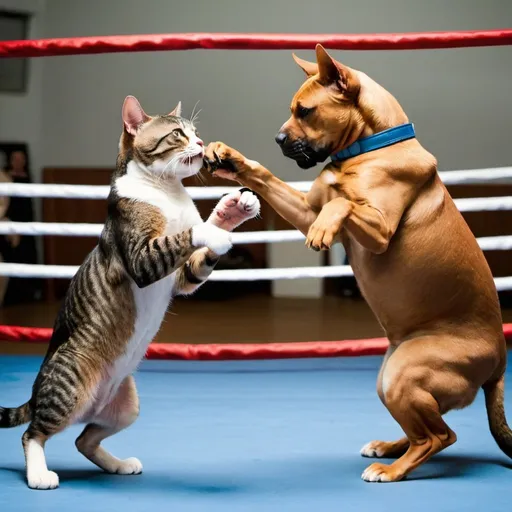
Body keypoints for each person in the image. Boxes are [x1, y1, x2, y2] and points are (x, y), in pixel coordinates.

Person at [1, 149, 41, 305]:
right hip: (10, 223)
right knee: (12, 257)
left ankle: (27, 295)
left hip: (27, 224)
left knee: (28, 256)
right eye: (15, 159)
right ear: (10, 161)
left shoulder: (28, 177)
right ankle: (11, 298)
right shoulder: (5, 178)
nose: (18, 162)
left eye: (21, 159)